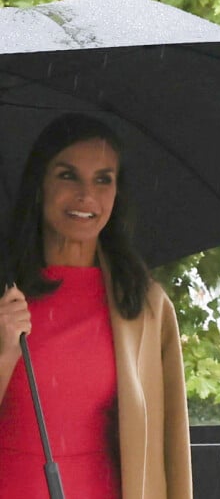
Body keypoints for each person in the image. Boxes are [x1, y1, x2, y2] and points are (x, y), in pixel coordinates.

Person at [0, 113, 192, 498]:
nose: (87, 195)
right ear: (40, 184)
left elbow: (170, 445)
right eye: (67, 175)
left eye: (103, 179)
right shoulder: (7, 292)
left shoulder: (144, 305)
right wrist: (4, 351)